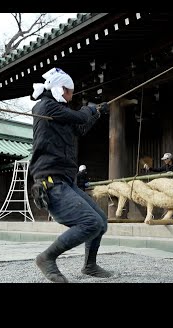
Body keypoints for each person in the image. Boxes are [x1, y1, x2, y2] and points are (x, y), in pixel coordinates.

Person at [29, 67, 112, 283]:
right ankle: (47, 258)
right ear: (59, 87)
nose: (71, 95)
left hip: (66, 181)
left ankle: (90, 265)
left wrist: (97, 114)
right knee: (90, 223)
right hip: (51, 181)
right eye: (69, 91)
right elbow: (78, 116)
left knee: (101, 221)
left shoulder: (59, 114)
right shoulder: (45, 106)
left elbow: (80, 127)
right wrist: (90, 109)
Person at [143, 152, 173, 219]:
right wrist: (149, 168)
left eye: (165, 159)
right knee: (172, 201)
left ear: (169, 159)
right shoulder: (166, 166)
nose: (164, 161)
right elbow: (158, 169)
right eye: (164, 160)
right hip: (172, 186)